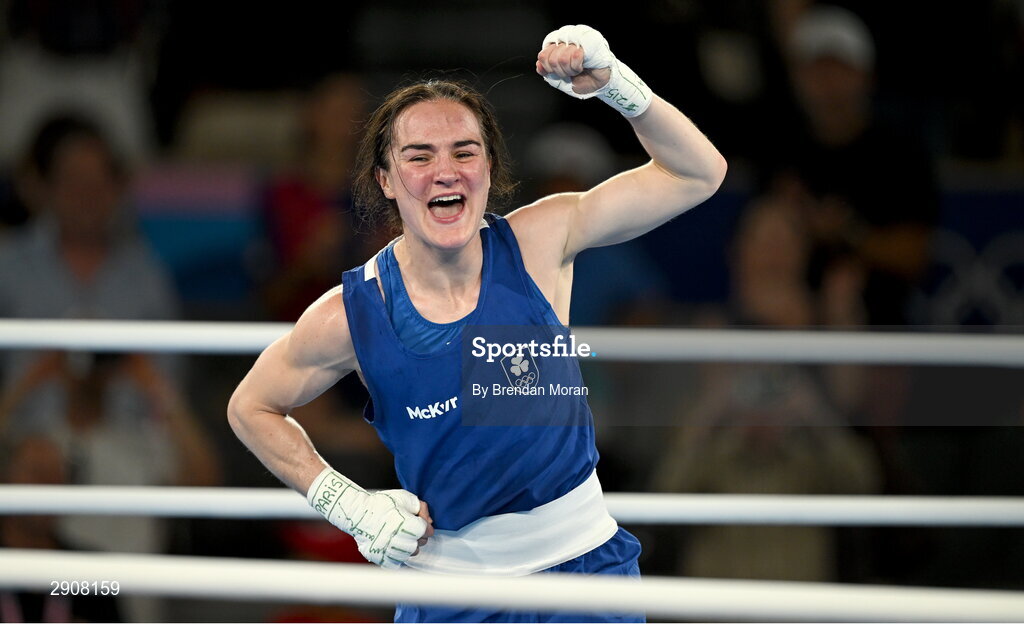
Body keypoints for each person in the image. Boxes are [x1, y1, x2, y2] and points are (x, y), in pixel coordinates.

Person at [228, 25, 726, 623]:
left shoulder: (542, 240)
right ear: (386, 180)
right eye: (419, 155)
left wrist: (615, 84)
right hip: (450, 593)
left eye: (464, 151)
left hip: (585, 572)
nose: (446, 171)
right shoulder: (350, 313)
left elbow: (698, 174)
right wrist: (346, 504)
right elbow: (250, 406)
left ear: (489, 168)